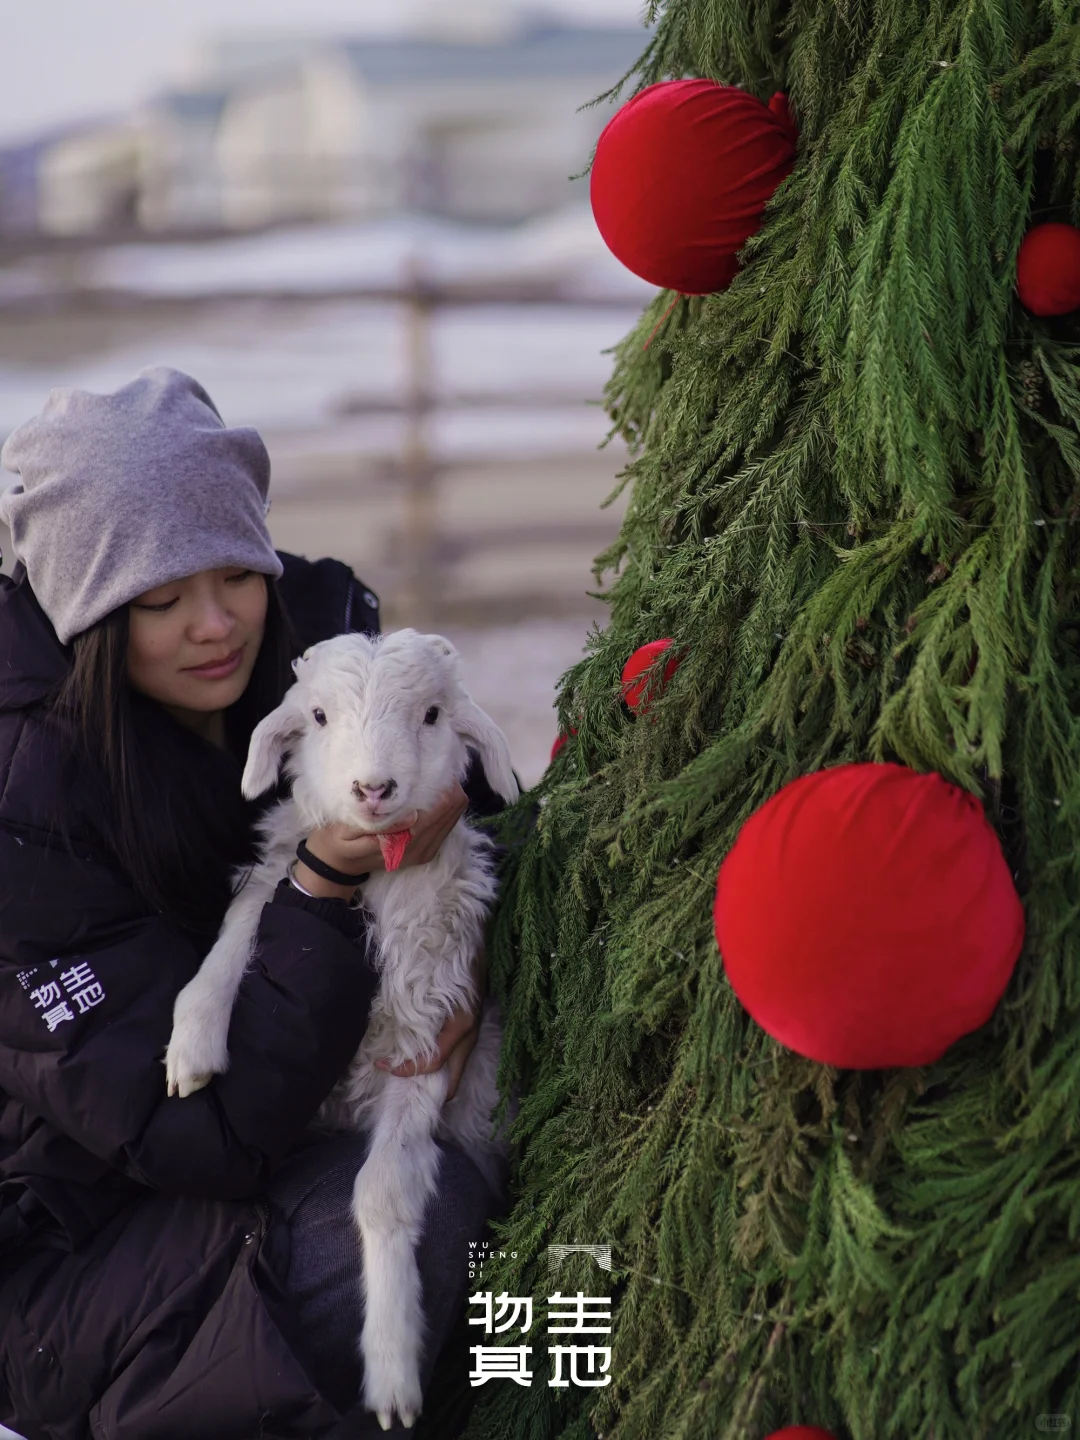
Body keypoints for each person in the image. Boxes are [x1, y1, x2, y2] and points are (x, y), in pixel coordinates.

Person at [0, 367, 510, 1440]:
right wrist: (320, 886)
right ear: (88, 614)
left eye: (236, 573)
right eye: (159, 599)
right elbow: (196, 1130)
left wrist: (460, 958)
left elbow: (465, 808)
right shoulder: (25, 801)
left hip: (301, 1122)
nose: (214, 624)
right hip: (87, 1246)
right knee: (417, 1226)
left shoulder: (316, 658)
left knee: (527, 1187)